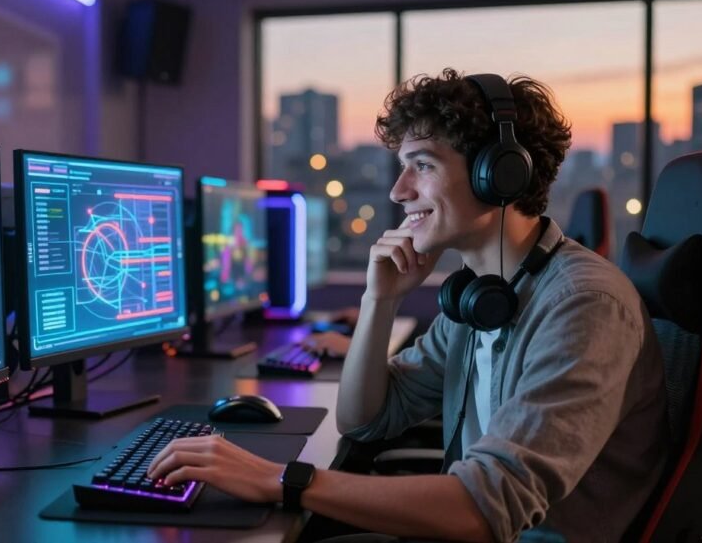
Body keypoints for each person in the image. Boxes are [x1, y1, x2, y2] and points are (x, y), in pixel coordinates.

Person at [146, 69, 668, 542]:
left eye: (422, 165)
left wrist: (279, 478)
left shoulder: (583, 305)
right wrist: (379, 301)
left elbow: (488, 507)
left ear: (501, 174)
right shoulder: (480, 297)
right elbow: (363, 420)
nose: (399, 191)